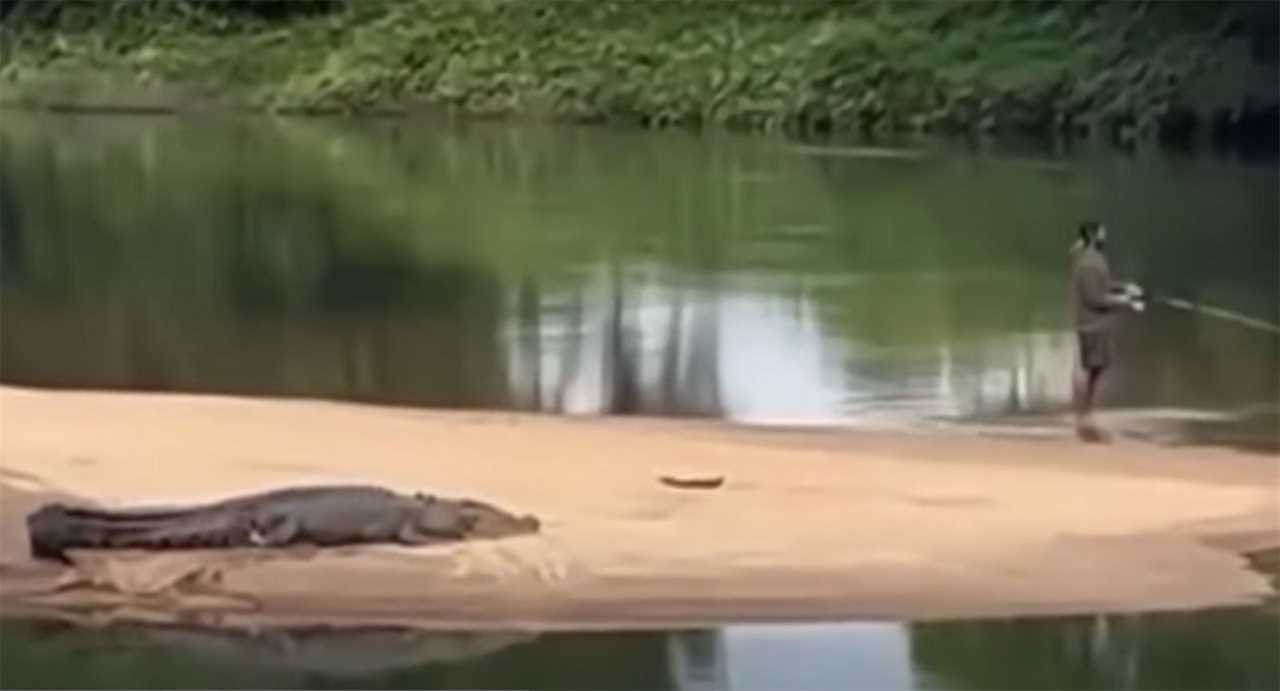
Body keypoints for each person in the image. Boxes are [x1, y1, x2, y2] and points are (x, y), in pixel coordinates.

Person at [1069, 221, 1144, 441]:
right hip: (1092, 325)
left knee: (1096, 369)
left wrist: (1125, 287)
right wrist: (1126, 302)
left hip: (1096, 325)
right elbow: (1095, 298)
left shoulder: (1093, 260)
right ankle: (1084, 415)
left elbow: (1103, 285)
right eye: (1102, 233)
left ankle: (1086, 414)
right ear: (1093, 236)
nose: (1105, 236)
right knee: (1093, 369)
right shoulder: (1090, 263)